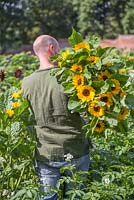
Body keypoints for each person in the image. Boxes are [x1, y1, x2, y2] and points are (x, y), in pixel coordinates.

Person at [22, 35, 90, 200]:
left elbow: (28, 117)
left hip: (46, 152)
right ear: (51, 48)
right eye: (59, 48)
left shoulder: (26, 82)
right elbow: (86, 115)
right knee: (75, 197)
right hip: (75, 149)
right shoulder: (69, 78)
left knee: (47, 197)